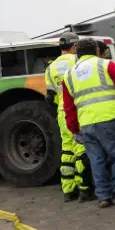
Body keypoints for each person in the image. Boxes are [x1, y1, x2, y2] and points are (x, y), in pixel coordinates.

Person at [62, 38, 115, 208]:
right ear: (97, 50)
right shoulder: (107, 65)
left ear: (77, 52)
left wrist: (74, 129)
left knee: (96, 160)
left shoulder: (68, 75)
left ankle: (103, 196)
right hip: (111, 119)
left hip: (87, 125)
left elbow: (68, 107)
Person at [44, 33, 94, 202]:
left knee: (67, 151)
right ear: (74, 47)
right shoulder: (77, 62)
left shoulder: (50, 68)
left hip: (61, 113)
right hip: (77, 111)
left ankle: (68, 190)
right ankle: (84, 188)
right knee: (81, 150)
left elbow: (50, 96)